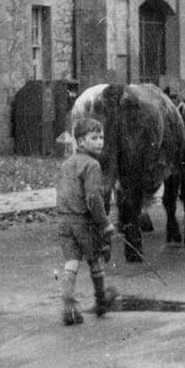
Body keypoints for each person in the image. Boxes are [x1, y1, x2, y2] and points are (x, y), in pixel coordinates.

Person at [55, 117, 117, 326]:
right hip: (83, 221)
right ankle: (101, 300)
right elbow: (94, 198)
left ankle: (68, 304)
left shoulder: (67, 163)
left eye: (101, 137)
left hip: (64, 220)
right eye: (94, 138)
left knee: (71, 263)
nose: (100, 142)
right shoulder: (92, 165)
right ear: (81, 141)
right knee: (95, 260)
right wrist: (105, 223)